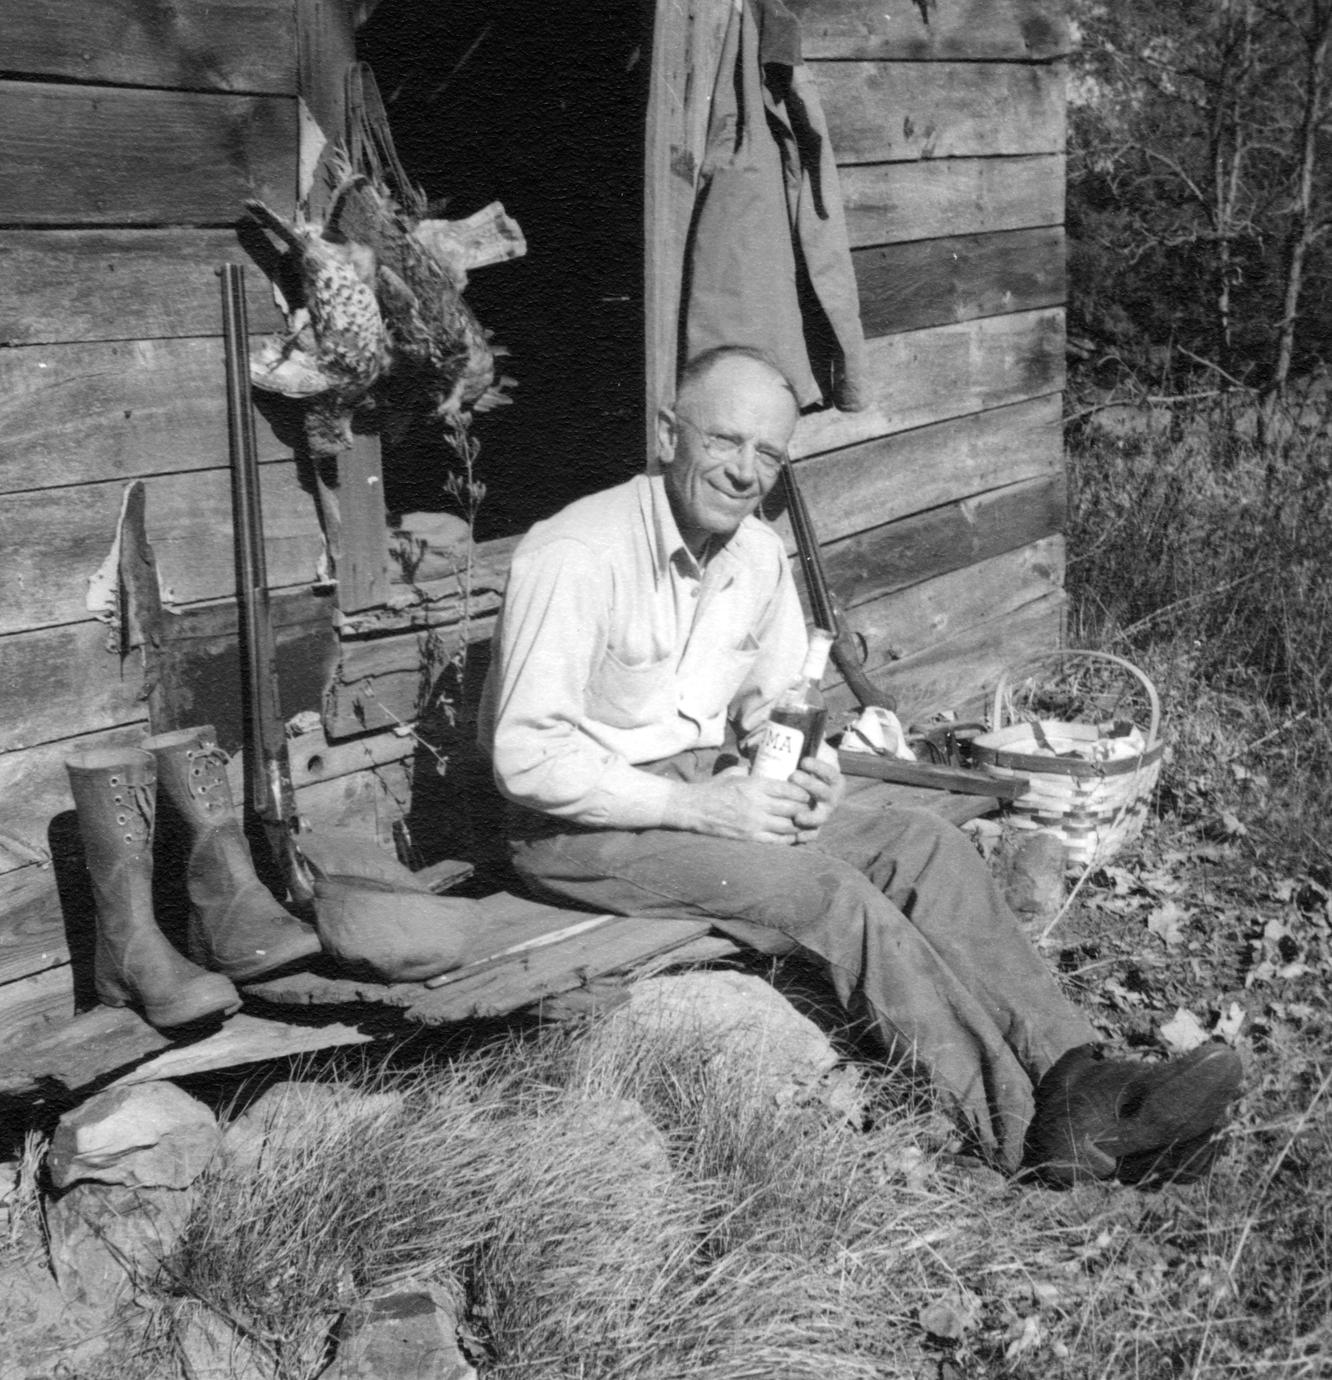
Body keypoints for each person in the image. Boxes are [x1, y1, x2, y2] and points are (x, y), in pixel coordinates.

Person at [478, 346, 1240, 1184]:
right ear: (668, 432)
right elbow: (527, 756)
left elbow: (777, 708)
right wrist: (697, 810)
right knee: (832, 896)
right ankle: (1028, 1139)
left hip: (711, 791)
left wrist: (812, 776)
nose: (743, 473)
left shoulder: (758, 556)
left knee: (926, 847)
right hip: (577, 825)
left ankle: (1083, 1082)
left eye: (768, 455)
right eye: (725, 442)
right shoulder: (577, 552)